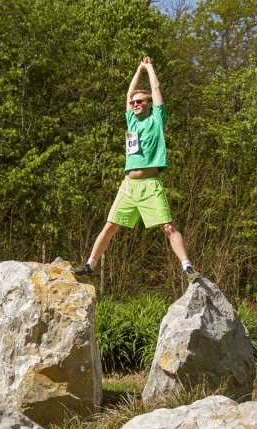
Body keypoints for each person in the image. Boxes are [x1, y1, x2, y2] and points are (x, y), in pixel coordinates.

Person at [72, 57, 201, 282]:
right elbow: (128, 94)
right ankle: (90, 265)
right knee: (110, 226)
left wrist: (149, 68)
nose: (135, 104)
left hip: (151, 185)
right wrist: (138, 69)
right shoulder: (132, 120)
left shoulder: (157, 120)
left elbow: (156, 87)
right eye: (133, 103)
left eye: (140, 101)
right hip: (128, 186)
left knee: (168, 227)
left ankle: (188, 268)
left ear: (150, 104)